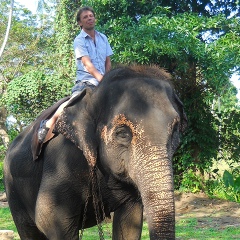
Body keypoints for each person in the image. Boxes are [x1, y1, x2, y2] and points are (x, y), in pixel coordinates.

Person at [37, 6, 113, 144]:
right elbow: (88, 65)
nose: (89, 18)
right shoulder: (79, 40)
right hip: (86, 82)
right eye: (85, 17)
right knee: (71, 103)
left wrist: (108, 80)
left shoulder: (103, 38)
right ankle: (48, 124)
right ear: (80, 23)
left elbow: (108, 61)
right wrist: (103, 81)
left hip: (103, 82)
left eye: (91, 16)